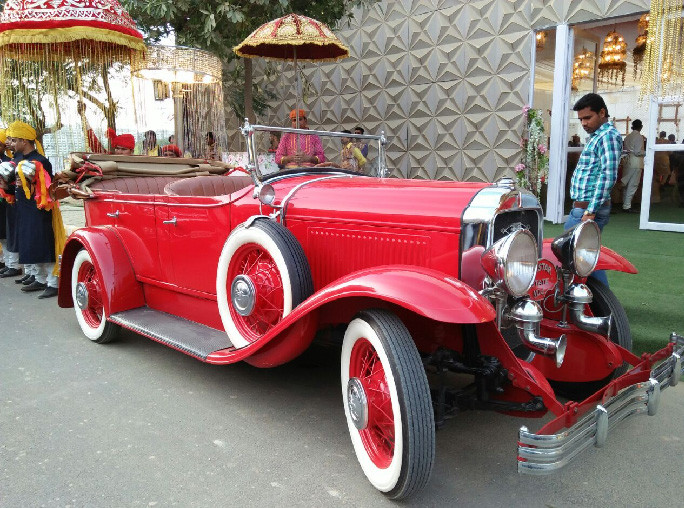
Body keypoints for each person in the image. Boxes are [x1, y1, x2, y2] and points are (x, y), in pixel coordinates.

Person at [566, 93, 622, 288]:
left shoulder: (608, 136)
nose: (583, 123)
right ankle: (599, 302)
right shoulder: (597, 136)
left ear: (602, 113)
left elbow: (608, 176)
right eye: (581, 119)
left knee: (583, 256)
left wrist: (590, 211)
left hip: (588, 210)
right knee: (583, 255)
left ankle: (603, 304)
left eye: (587, 118)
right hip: (584, 209)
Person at [6, 121, 65, 298]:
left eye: (15, 140)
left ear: (25, 141)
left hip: (39, 209)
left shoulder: (41, 161)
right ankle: (40, 279)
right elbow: (16, 187)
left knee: (43, 243)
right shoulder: (20, 161)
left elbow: (45, 189)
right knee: (30, 243)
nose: (13, 144)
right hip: (23, 209)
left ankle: (53, 282)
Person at [621, 119, 645, 213]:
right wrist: (647, 152)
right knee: (633, 184)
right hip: (636, 162)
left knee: (626, 184)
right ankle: (627, 206)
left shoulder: (628, 137)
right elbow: (638, 152)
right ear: (641, 127)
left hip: (627, 161)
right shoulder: (639, 137)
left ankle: (625, 204)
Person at [653, 131, 670, 203]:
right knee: (666, 173)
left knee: (656, 173)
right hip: (664, 158)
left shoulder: (656, 141)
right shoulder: (667, 141)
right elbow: (670, 152)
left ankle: (657, 185)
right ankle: (662, 183)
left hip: (656, 159)